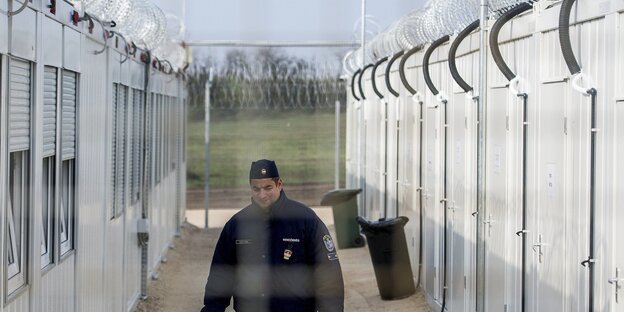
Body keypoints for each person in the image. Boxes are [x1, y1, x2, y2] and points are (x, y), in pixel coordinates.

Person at [201, 159, 345, 312]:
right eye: (256, 189)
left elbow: (329, 276)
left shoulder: (305, 220)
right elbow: (221, 276)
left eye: (268, 187)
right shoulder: (237, 224)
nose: (262, 195)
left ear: (279, 184)